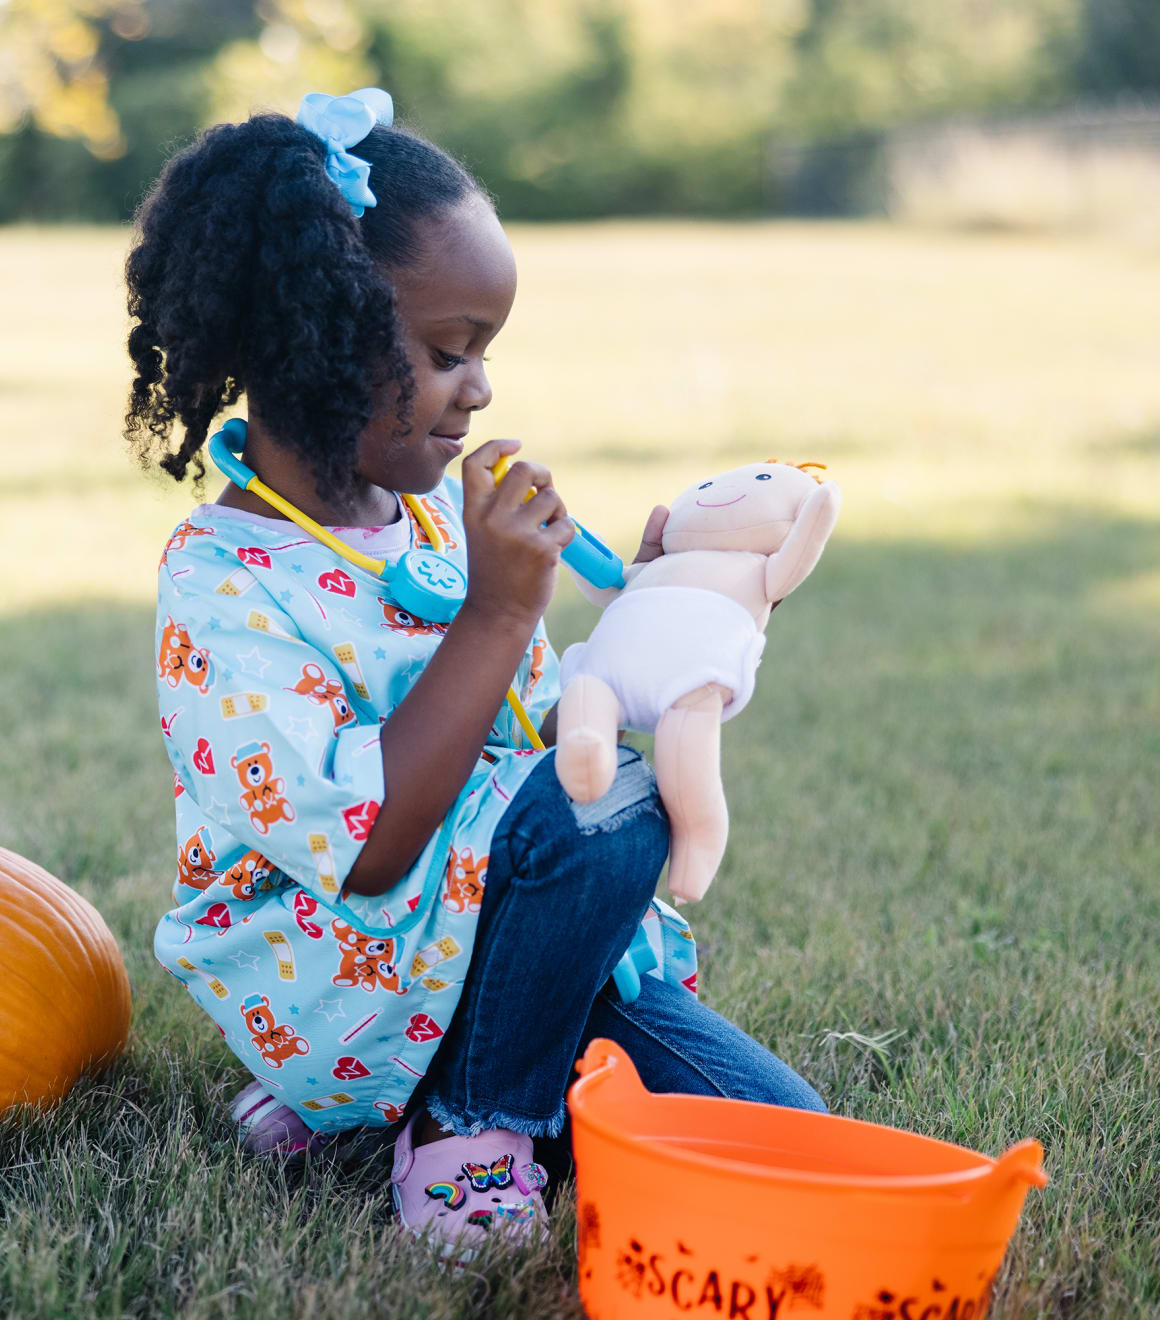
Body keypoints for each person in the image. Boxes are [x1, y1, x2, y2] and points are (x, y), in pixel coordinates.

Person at [126, 88, 824, 1260]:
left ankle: (387, 1112)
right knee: (603, 811)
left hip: (501, 950)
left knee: (781, 1141)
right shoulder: (226, 583)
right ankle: (464, 1128)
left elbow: (545, 726)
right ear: (309, 338)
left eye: (485, 353)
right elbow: (366, 843)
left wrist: (651, 620)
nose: (482, 390)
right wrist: (499, 609)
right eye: (450, 353)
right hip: (352, 977)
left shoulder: (438, 518)